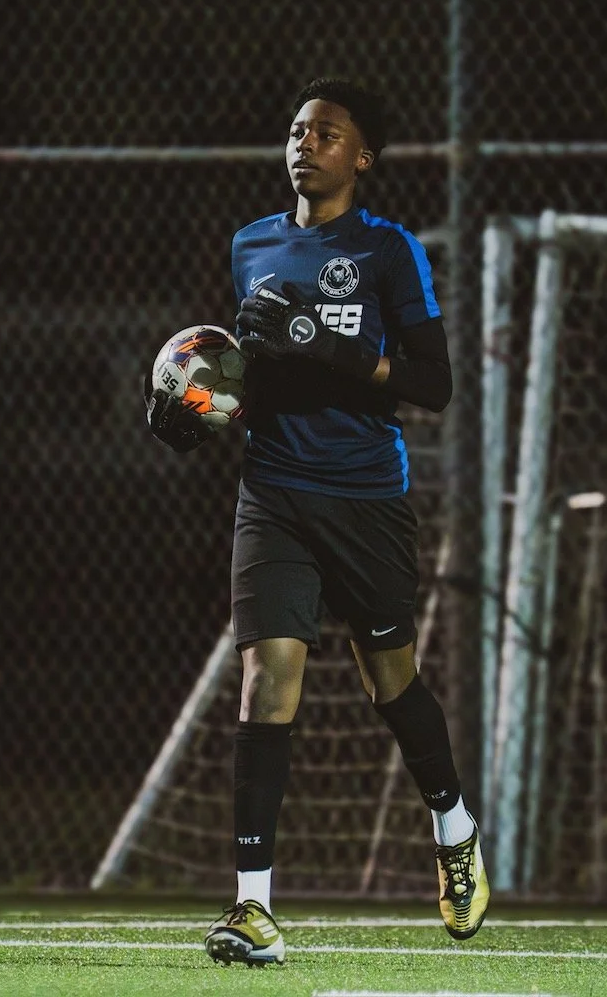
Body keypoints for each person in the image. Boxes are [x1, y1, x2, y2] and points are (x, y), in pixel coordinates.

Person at [145, 77, 488, 967]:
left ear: (361, 158)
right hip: (275, 495)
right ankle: (253, 910)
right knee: (268, 679)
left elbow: (434, 383)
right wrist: (200, 407)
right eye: (298, 130)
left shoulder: (388, 251)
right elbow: (255, 375)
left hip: (366, 495)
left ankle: (453, 828)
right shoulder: (251, 245)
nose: (306, 143)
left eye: (329, 134)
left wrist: (337, 350)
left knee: (391, 685)